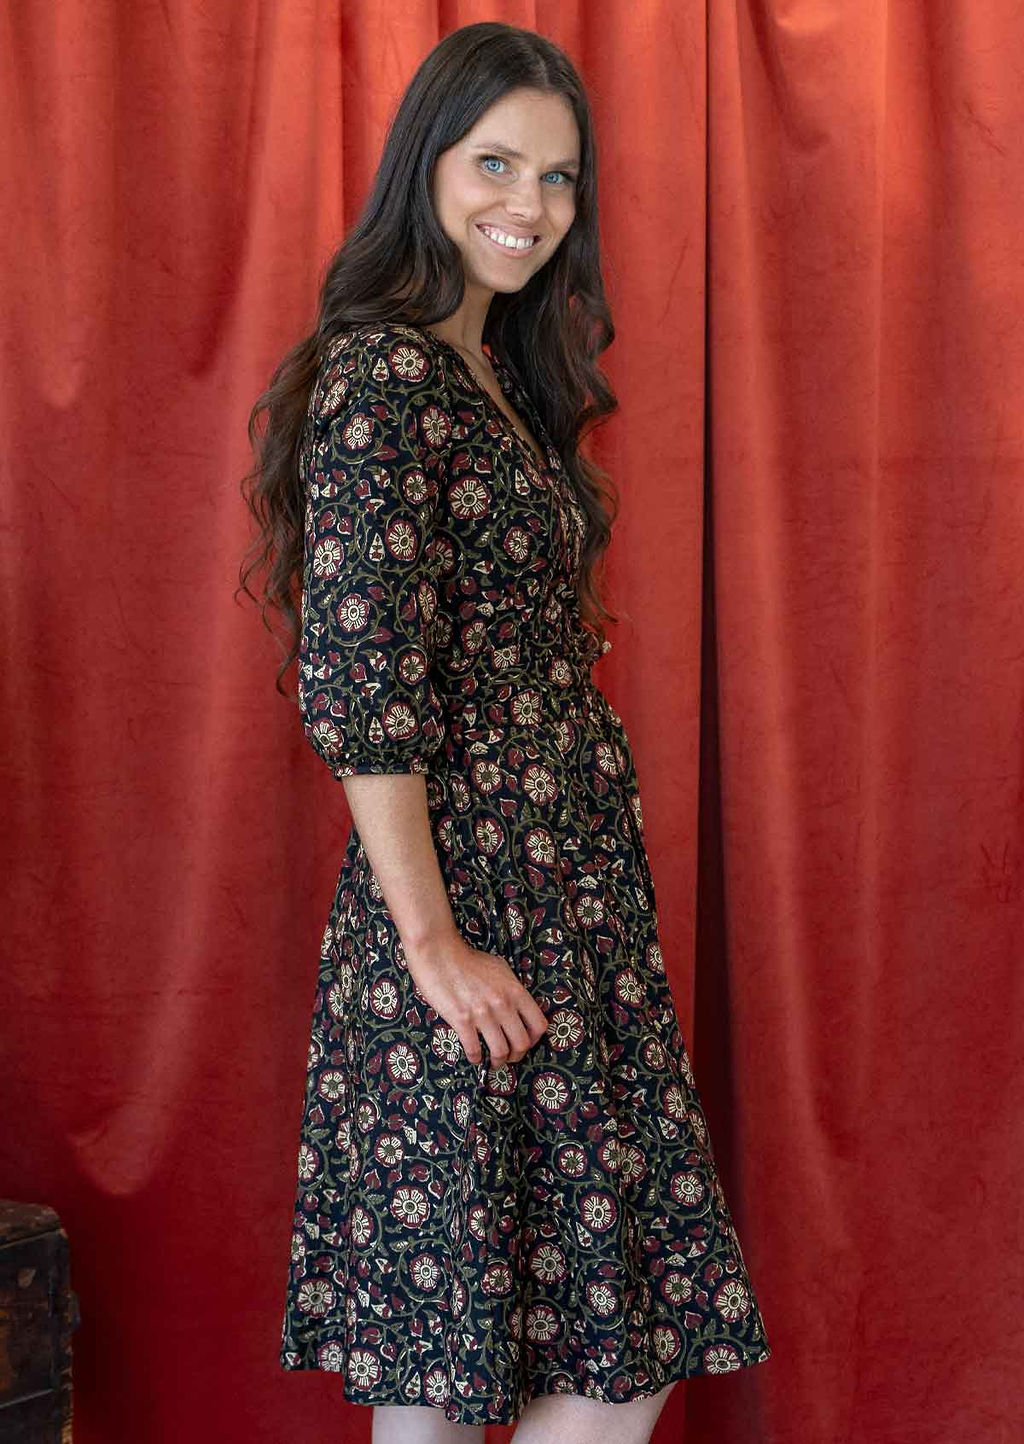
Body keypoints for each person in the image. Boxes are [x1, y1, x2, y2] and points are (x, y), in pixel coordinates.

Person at [240, 20, 771, 1444]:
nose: (528, 204)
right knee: (527, 1352)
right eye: (495, 163)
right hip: (474, 902)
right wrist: (433, 946)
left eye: (557, 175)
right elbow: (363, 687)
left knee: (485, 1351)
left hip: (564, 898)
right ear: (426, 165)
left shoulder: (496, 378)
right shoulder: (385, 376)